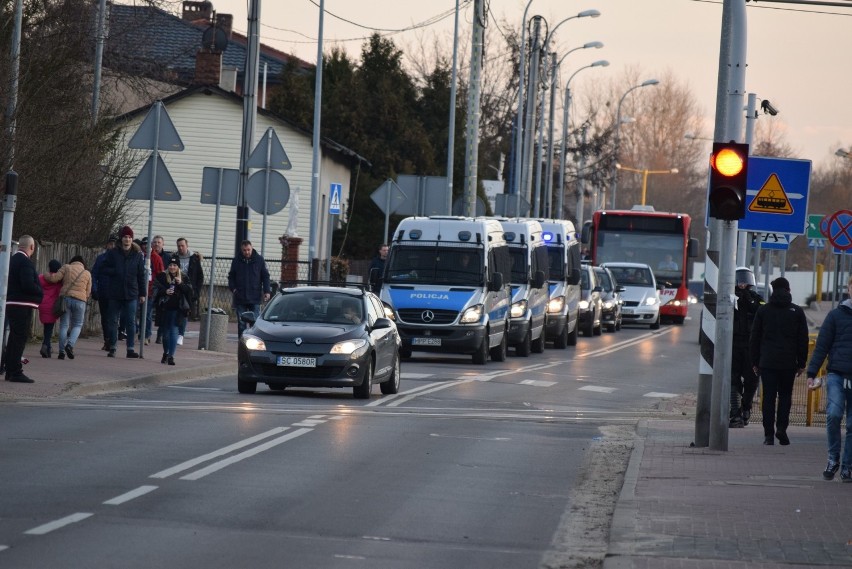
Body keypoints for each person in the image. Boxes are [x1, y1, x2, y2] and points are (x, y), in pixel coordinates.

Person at [749, 276, 809, 446]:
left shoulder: (763, 311)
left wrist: (754, 361)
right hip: (788, 363)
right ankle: (781, 428)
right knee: (785, 396)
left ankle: (768, 435)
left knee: (768, 398)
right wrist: (801, 363)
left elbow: (754, 338)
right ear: (788, 290)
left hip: (767, 362)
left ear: (773, 291)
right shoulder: (797, 312)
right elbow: (802, 339)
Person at [806, 276, 852, 482]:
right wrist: (811, 373)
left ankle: (847, 466)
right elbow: (822, 345)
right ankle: (833, 458)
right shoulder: (835, 316)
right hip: (836, 374)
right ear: (849, 289)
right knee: (833, 414)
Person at [102, 225, 146, 358]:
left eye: (129, 237)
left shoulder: (137, 256)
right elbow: (104, 268)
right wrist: (115, 271)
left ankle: (130, 348)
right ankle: (113, 347)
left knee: (130, 321)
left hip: (131, 293)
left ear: (132, 239)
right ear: (121, 239)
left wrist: (142, 293)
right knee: (113, 321)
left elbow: (141, 275)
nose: (127, 239)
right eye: (125, 237)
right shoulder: (113, 253)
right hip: (115, 292)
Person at [4, 235, 43, 383]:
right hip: (21, 304)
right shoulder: (25, 263)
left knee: (14, 337)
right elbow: (27, 284)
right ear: (32, 247)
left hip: (12, 302)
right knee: (19, 338)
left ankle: (9, 368)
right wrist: (40, 291)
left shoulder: (12, 260)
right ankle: (15, 371)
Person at [729, 267, 764, 428]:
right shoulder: (730, 298)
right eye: (740, 280)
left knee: (752, 380)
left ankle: (746, 408)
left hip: (751, 346)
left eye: (745, 280)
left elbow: (762, 312)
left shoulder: (757, 299)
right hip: (733, 344)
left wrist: (748, 299)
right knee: (733, 379)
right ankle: (735, 413)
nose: (742, 284)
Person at [44, 255, 92, 360]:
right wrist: (83, 297)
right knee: (78, 325)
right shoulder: (87, 273)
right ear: (82, 263)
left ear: (72, 261)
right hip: (80, 301)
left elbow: (54, 279)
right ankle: (70, 345)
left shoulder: (66, 267)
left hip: (66, 299)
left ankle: (61, 352)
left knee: (64, 325)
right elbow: (88, 292)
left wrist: (46, 275)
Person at [153, 255, 193, 366]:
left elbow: (189, 292)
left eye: (175, 265)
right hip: (164, 308)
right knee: (165, 334)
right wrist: (165, 292)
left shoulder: (184, 277)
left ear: (178, 267)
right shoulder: (161, 276)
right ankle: (165, 353)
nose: (172, 267)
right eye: (170, 265)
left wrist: (180, 284)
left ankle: (171, 356)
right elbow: (155, 290)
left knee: (174, 330)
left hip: (178, 309)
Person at [228, 240, 271, 337]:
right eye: (244, 250)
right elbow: (231, 276)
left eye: (248, 250)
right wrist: (233, 289)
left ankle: (253, 344)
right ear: (241, 250)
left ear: (252, 248)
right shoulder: (236, 260)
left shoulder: (259, 260)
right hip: (240, 297)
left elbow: (265, 276)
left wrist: (267, 291)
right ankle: (241, 344)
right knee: (241, 324)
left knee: (254, 323)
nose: (246, 252)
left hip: (255, 297)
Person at [91, 234, 118, 350]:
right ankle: (107, 339)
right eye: (110, 243)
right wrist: (95, 289)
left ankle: (112, 341)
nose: (112, 246)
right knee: (105, 317)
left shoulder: (119, 258)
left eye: (114, 244)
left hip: (116, 293)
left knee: (113, 318)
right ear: (107, 245)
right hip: (103, 291)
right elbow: (94, 274)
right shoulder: (101, 258)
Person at [175, 236, 204, 327]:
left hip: (190, 289)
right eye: (179, 246)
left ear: (187, 245)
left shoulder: (194, 258)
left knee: (186, 313)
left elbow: (200, 276)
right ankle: (177, 331)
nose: (180, 248)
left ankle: (181, 334)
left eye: (182, 245)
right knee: (176, 312)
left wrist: (197, 291)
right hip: (177, 289)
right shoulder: (174, 257)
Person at [140, 237, 163, 346]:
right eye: (144, 244)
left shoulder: (157, 258)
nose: (145, 246)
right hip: (138, 289)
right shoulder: (139, 256)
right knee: (137, 312)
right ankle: (140, 332)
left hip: (150, 290)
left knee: (147, 313)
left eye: (147, 244)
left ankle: (146, 335)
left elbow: (160, 275)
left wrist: (156, 288)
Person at [37, 260, 63, 358]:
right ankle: (45, 344)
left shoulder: (41, 278)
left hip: (42, 304)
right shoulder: (58, 281)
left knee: (46, 327)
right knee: (49, 328)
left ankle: (48, 348)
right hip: (53, 306)